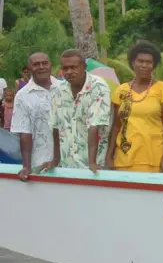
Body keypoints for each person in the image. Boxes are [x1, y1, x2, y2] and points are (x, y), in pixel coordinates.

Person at [106, 40, 163, 173]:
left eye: (149, 62)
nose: (144, 65)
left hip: (154, 158)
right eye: (140, 61)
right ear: (133, 63)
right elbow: (116, 125)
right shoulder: (121, 90)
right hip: (124, 158)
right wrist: (109, 155)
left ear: (154, 65)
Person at [37, 49, 111, 174]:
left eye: (73, 67)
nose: (69, 72)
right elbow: (55, 127)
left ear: (84, 67)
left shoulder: (99, 87)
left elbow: (94, 125)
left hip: (94, 167)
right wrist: (55, 159)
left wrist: (92, 162)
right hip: (67, 164)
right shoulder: (58, 90)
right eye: (65, 68)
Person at [10, 53, 60, 181]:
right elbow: (25, 133)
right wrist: (26, 166)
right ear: (29, 68)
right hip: (41, 164)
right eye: (36, 64)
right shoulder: (22, 95)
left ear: (50, 66)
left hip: (70, 163)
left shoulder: (64, 89)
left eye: (44, 63)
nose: (41, 67)